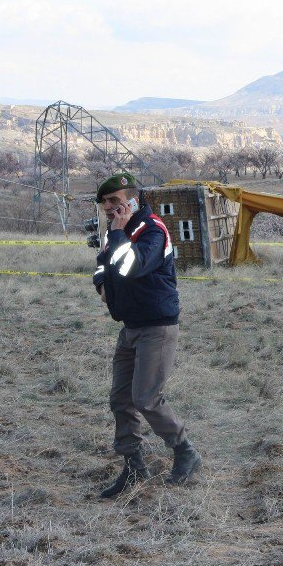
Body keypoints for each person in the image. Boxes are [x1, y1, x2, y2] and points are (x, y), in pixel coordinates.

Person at [92, 174, 202, 497]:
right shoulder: (117, 232)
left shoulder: (152, 230)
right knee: (120, 399)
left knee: (146, 398)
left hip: (157, 326)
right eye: (105, 203)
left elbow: (129, 267)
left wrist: (115, 236)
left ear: (132, 200)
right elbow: (102, 265)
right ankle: (133, 467)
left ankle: (185, 451)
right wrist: (102, 285)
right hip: (130, 326)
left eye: (115, 201)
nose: (109, 208)